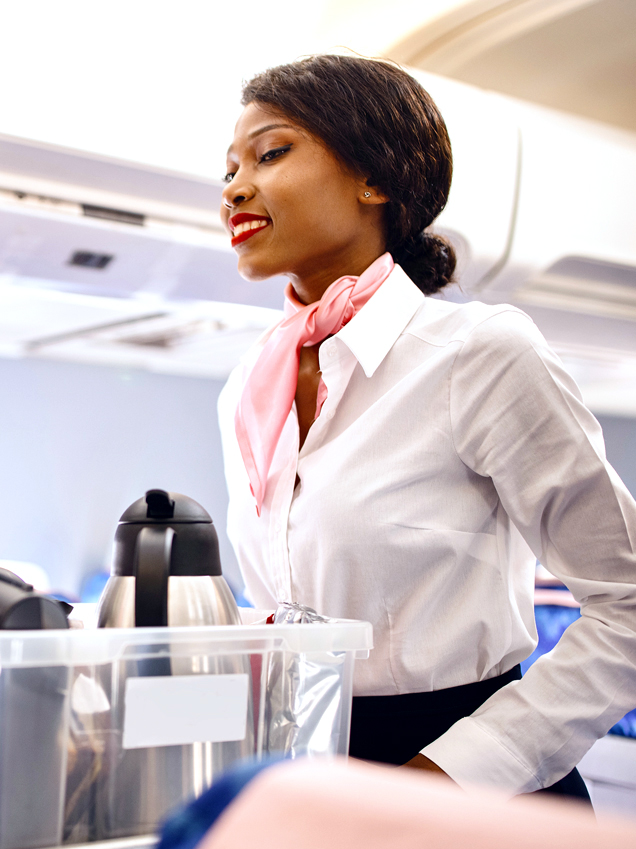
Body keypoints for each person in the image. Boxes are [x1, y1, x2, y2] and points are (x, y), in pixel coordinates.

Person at [216, 54, 636, 799]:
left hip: (479, 785)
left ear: (374, 180)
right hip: (319, 770)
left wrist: (455, 773)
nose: (235, 188)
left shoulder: (478, 354)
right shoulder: (251, 387)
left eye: (271, 153)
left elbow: (627, 606)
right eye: (229, 169)